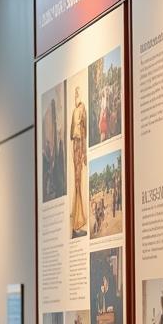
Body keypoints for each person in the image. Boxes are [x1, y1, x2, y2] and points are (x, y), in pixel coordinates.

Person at [70, 85, 88, 235]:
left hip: (79, 147)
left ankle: (79, 217)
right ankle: (76, 216)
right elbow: (72, 135)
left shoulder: (82, 110)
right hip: (75, 147)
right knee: (76, 181)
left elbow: (84, 132)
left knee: (78, 180)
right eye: (75, 93)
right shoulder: (74, 111)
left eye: (78, 93)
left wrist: (84, 153)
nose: (77, 96)